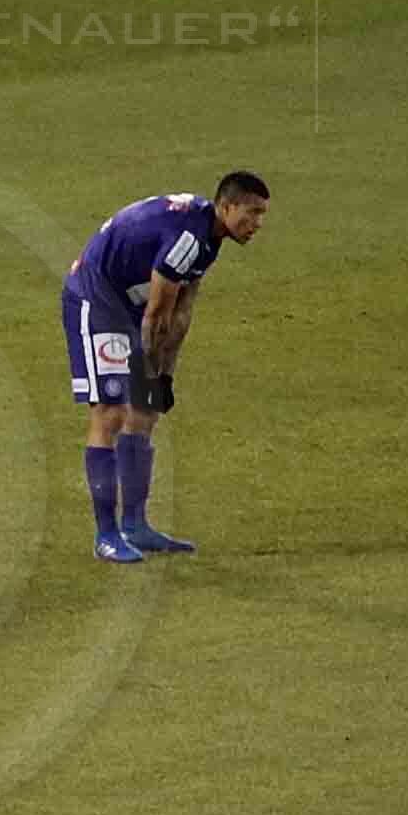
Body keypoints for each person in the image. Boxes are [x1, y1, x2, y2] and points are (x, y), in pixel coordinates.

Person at [65, 171, 267, 561]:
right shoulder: (187, 240)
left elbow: (181, 312)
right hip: (96, 299)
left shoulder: (210, 239)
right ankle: (106, 535)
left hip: (129, 301)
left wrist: (164, 376)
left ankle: (135, 526)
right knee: (110, 412)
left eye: (262, 215)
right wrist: (146, 370)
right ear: (227, 206)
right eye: (252, 212)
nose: (257, 224)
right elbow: (157, 315)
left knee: (145, 410)